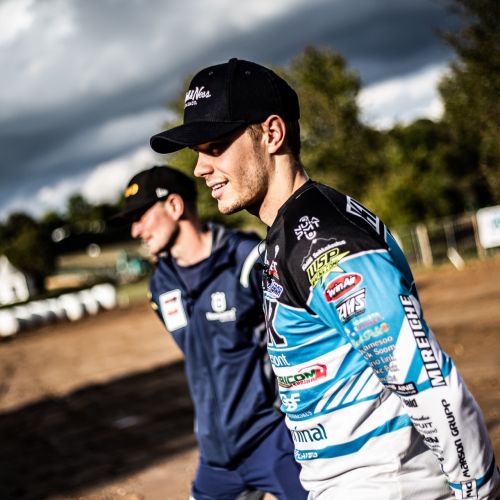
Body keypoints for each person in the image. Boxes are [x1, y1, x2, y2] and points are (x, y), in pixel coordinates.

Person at [149, 58, 500, 499]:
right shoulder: (292, 232)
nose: (199, 168)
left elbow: (427, 379)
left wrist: (479, 490)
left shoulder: (322, 241)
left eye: (215, 147)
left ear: (272, 134)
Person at [111, 166, 307, 500]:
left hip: (273, 440)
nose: (135, 230)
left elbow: (303, 338)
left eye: (141, 216)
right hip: (216, 457)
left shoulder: (247, 260)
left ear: (175, 206)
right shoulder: (160, 285)